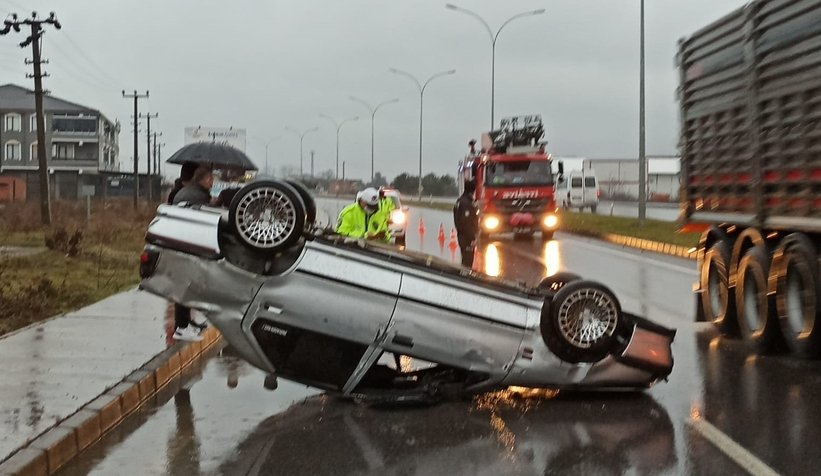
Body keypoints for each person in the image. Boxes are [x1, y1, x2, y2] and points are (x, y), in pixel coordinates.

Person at [170, 165, 215, 342]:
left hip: (181, 242)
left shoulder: (187, 192)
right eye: (210, 179)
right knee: (185, 286)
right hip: (187, 244)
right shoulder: (198, 196)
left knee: (187, 285)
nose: (212, 182)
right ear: (203, 179)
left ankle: (186, 323)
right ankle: (181, 327)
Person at [453, 181, 479, 267]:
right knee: (467, 262)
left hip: (461, 236)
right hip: (467, 238)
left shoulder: (459, 201)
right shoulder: (467, 203)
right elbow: (467, 223)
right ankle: (465, 277)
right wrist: (472, 238)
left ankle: (464, 274)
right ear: (473, 190)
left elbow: (458, 221)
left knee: (465, 259)